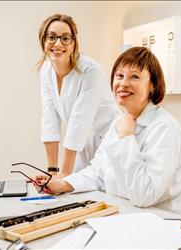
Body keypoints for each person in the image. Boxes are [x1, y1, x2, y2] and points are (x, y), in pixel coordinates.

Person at [35, 47, 181, 219]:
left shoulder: (165, 129)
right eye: (119, 76)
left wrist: (127, 138)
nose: (123, 83)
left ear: (153, 85)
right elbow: (99, 172)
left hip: (169, 223)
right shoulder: (120, 122)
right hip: (131, 217)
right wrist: (63, 184)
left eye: (134, 77)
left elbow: (145, 194)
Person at [37, 14, 119, 176]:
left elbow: (78, 121)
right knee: (77, 192)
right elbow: (49, 120)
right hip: (80, 145)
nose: (58, 43)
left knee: (102, 191)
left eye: (66, 38)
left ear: (74, 43)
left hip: (110, 142)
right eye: (51, 37)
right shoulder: (46, 70)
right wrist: (52, 173)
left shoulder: (90, 70)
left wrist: (64, 176)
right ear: (43, 40)